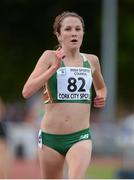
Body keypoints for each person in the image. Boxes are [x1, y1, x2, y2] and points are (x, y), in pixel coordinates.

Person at [22, 11, 107, 179]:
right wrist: (53, 68)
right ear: (59, 35)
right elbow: (27, 91)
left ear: (83, 33)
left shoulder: (91, 61)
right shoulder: (48, 57)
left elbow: (102, 87)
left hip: (80, 137)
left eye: (78, 29)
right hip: (50, 139)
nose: (74, 33)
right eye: (68, 29)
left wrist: (102, 97)